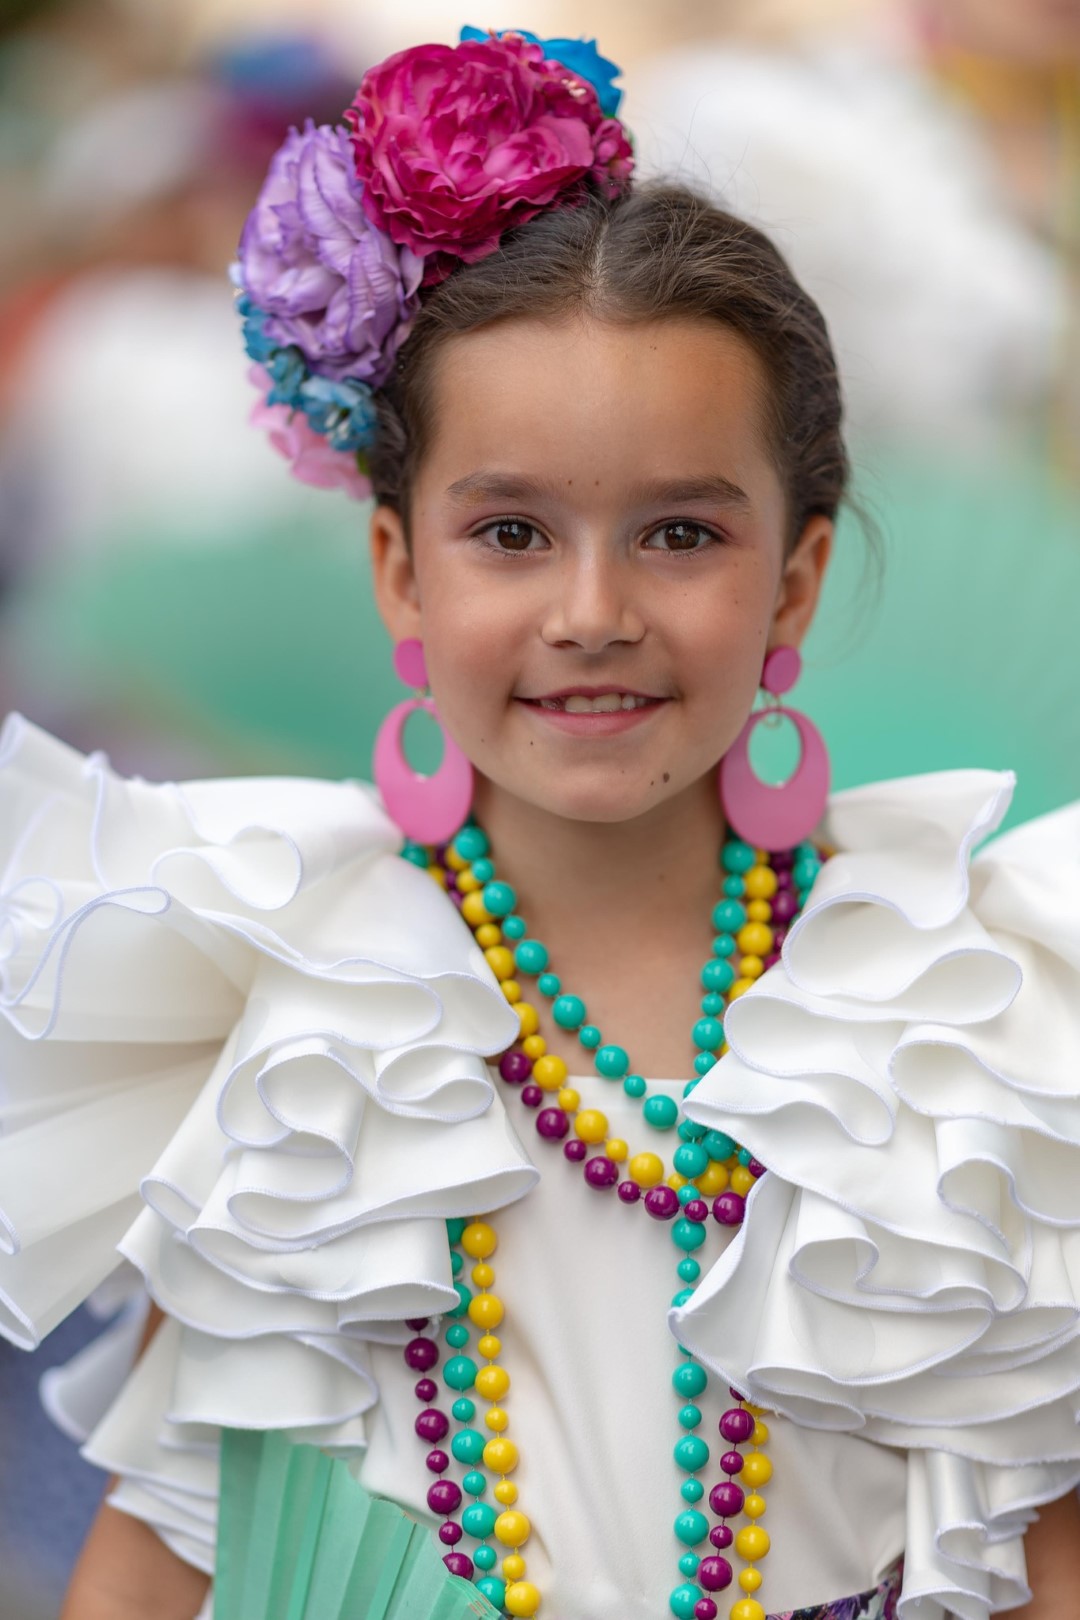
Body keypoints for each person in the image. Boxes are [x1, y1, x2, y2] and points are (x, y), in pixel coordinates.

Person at [0, 27, 1078, 1620]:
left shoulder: (965, 1023)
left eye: (679, 535)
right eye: (510, 532)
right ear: (398, 570)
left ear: (795, 578)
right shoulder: (302, 1031)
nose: (592, 612)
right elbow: (155, 1556)